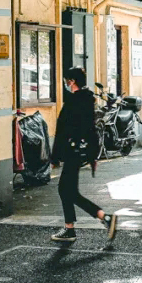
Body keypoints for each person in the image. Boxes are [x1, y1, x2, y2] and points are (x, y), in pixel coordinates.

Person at [51, 66, 118, 243]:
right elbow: (91, 129)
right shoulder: (87, 100)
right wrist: (92, 154)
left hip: (72, 150)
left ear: (71, 82)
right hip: (79, 150)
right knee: (67, 190)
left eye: (66, 80)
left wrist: (55, 156)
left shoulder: (74, 102)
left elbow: (62, 130)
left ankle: (103, 217)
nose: (65, 83)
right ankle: (70, 228)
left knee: (68, 191)